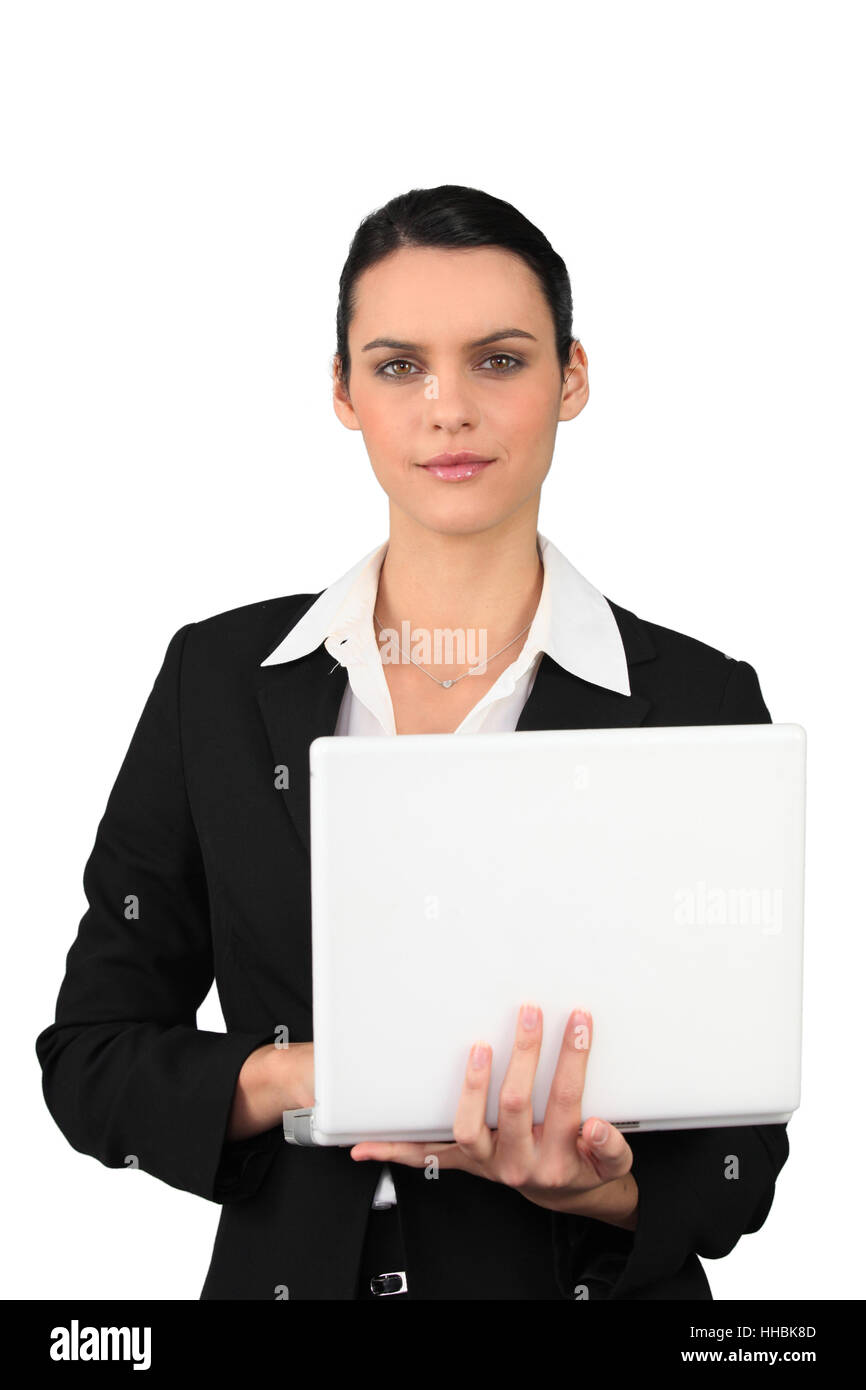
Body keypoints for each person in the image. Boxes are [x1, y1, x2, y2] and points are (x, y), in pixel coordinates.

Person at [35, 184, 789, 1300]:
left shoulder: (696, 697)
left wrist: (591, 1185)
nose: (447, 409)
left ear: (569, 378)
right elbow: (92, 1058)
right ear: (342, 392)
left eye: (497, 360)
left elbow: (741, 1161)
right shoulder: (216, 680)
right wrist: (315, 1078)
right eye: (397, 366)